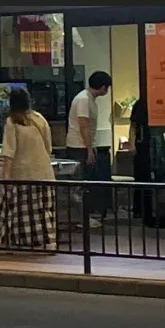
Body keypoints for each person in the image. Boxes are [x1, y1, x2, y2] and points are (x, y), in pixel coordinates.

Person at [0, 88, 57, 250]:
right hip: (44, 173)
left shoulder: (12, 122)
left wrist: (5, 177)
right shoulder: (39, 119)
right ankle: (45, 240)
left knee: (20, 212)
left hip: (23, 173)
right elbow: (48, 147)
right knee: (42, 210)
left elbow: (9, 152)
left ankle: (20, 241)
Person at [67, 70, 113, 229]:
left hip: (84, 145)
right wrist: (89, 150)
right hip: (79, 146)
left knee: (84, 183)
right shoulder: (84, 99)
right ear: (102, 87)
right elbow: (83, 126)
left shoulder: (89, 99)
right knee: (79, 184)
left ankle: (84, 217)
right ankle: (82, 219)